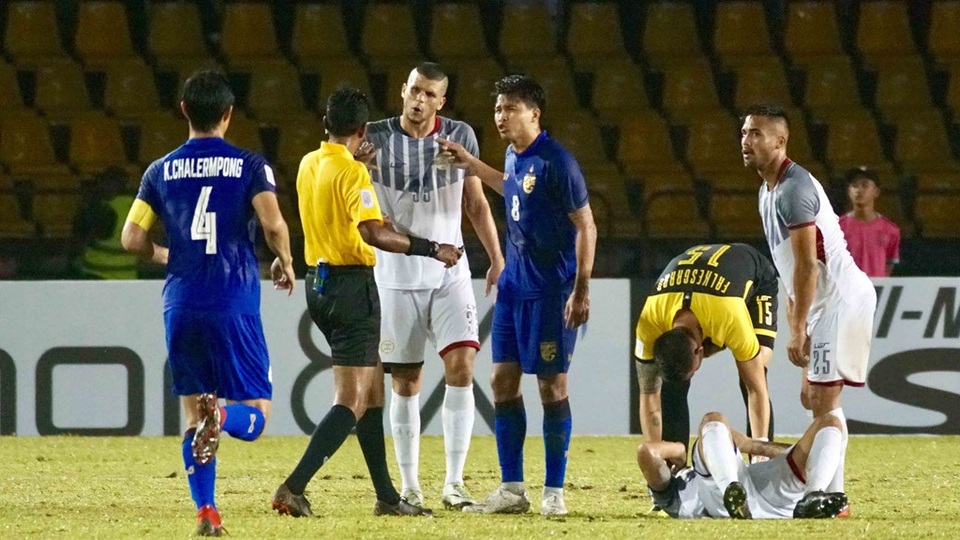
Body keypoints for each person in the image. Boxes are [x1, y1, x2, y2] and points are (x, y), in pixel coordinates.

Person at [270, 87, 462, 519]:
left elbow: (336, 214)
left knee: (372, 393)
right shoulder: (354, 175)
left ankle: (387, 498)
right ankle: (293, 487)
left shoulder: (308, 163)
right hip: (352, 286)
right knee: (352, 401)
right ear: (361, 129)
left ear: (325, 124)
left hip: (316, 282)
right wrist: (433, 248)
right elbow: (374, 234)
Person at [120, 70, 297, 537]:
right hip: (232, 301)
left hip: (180, 303)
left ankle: (207, 512)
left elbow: (132, 238)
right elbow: (274, 224)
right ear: (228, 114)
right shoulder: (249, 165)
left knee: (192, 415)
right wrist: (285, 261)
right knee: (256, 414)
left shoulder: (159, 170)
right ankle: (222, 416)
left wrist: (166, 254)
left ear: (183, 110)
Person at [437, 75, 597, 516]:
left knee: (551, 385)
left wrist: (581, 289)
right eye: (497, 108)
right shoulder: (514, 155)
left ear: (534, 113)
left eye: (509, 108)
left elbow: (587, 225)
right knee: (502, 382)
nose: (500, 116)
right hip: (513, 286)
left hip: (549, 292)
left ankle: (554, 491)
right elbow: (511, 187)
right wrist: (471, 163)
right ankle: (512, 489)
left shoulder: (557, 163)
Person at [359, 62, 505, 510]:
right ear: (402, 90)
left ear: (442, 102)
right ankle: (410, 486)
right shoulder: (373, 138)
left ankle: (454, 483)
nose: (419, 100)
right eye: (414, 90)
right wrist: (357, 169)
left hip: (450, 274)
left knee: (461, 368)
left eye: (430, 94)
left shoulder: (460, 136)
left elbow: (475, 203)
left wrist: (497, 258)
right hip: (396, 278)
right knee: (406, 381)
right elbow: (352, 193)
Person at [741, 103, 877, 498]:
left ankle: (828, 495)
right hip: (822, 306)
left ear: (781, 141)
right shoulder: (767, 191)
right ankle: (829, 492)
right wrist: (798, 320)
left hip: (841, 300)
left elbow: (807, 267)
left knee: (822, 400)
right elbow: (789, 270)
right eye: (744, 133)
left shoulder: (794, 190)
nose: (747, 141)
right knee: (811, 397)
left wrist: (798, 329)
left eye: (756, 134)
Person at [634, 243, 777, 455]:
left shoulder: (729, 317)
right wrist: (657, 455)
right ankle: (675, 465)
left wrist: (760, 454)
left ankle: (761, 462)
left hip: (756, 281)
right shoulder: (649, 323)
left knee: (753, 374)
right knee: (673, 385)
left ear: (700, 351)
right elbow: (649, 396)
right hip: (703, 287)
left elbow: (756, 389)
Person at [637, 410, 850, 519]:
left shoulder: (678, 491)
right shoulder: (670, 495)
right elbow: (647, 452)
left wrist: (750, 445)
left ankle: (812, 498)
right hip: (718, 499)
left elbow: (649, 453)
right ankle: (813, 492)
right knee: (712, 419)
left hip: (750, 491)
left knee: (830, 422)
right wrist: (679, 450)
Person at [73, 166, 138, 279]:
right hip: (128, 274)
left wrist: (86, 206)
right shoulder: (137, 207)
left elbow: (83, 236)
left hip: (98, 273)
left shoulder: (105, 209)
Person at [838, 167, 901, 277]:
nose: (859, 190)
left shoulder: (890, 229)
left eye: (865, 185)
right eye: (854, 185)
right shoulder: (836, 227)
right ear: (849, 191)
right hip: (845, 291)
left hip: (876, 291)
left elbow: (889, 263)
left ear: (876, 192)